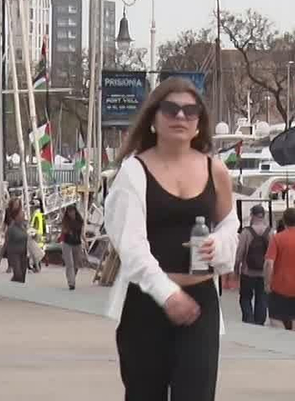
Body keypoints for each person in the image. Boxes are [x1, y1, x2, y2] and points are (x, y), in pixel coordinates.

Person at [104, 78, 245, 401]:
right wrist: (167, 294)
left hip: (201, 303)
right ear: (153, 118)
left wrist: (220, 246)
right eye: (170, 109)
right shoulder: (134, 171)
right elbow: (131, 245)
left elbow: (229, 224)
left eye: (190, 111)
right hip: (146, 303)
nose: (180, 117)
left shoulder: (215, 170)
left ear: (199, 123)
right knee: (145, 393)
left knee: (197, 393)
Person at [265, 208, 295, 331]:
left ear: (284, 221)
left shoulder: (277, 238)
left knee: (276, 318)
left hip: (280, 285)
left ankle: (282, 344)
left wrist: (267, 283)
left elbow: (269, 263)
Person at [234, 206, 272, 325]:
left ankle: (248, 320)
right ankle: (259, 322)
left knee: (245, 298)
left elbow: (240, 253)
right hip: (264, 273)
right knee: (262, 298)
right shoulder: (270, 232)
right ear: (263, 215)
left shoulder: (246, 232)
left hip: (247, 272)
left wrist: (236, 268)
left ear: (252, 215)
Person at [59, 205, 85, 290]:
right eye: (69, 212)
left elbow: (81, 233)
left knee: (76, 265)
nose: (71, 213)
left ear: (75, 211)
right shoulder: (65, 221)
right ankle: (71, 283)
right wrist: (66, 231)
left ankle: (71, 277)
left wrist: (85, 240)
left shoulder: (80, 221)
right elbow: (63, 231)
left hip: (77, 244)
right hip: (67, 244)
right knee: (70, 264)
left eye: (72, 211)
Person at [5, 200, 30, 283]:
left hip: (23, 253)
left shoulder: (24, 226)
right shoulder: (11, 228)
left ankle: (19, 289)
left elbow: (28, 238)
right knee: (18, 274)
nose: (23, 216)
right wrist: (0, 257)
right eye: (21, 215)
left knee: (22, 276)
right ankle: (13, 284)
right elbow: (6, 243)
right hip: (14, 253)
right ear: (16, 217)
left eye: (23, 215)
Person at [0, 196, 24, 272]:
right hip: (9, 231)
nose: (16, 205)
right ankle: (9, 266)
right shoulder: (8, 210)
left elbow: (22, 223)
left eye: (18, 204)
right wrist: (2, 231)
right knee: (9, 248)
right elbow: (5, 221)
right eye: (15, 204)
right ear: (11, 204)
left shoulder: (20, 212)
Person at [29, 197, 47, 273]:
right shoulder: (41, 213)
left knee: (34, 252)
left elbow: (33, 224)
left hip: (36, 235)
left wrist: (31, 232)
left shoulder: (35, 214)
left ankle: (36, 267)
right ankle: (37, 267)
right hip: (41, 234)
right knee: (38, 251)